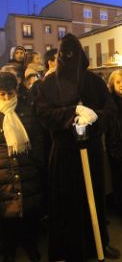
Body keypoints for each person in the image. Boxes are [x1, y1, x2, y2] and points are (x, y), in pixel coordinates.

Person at [35, 33, 120, 261]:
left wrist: (95, 117)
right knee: (66, 203)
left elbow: (111, 110)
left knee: (94, 200)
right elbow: (43, 114)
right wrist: (72, 112)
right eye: (65, 54)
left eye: (73, 54)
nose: (69, 58)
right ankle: (66, 250)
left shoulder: (94, 81)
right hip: (64, 153)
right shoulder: (49, 84)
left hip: (90, 150)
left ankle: (99, 243)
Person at [0, 72, 44, 262]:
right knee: (7, 215)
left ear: (16, 91)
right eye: (2, 94)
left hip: (27, 170)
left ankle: (30, 244)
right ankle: (8, 250)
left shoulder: (27, 110)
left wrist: (35, 163)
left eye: (10, 93)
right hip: (3, 172)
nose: (7, 98)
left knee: (29, 214)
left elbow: (38, 139)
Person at [105, 69, 122, 215]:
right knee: (120, 180)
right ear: (112, 84)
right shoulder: (111, 103)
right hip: (117, 146)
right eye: (118, 82)